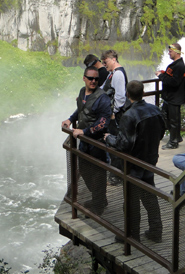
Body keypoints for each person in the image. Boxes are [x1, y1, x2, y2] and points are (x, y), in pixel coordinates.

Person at [105, 80, 165, 243]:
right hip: (150, 159)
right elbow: (161, 132)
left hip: (133, 163)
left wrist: (109, 138)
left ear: (128, 94)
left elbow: (123, 144)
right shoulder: (155, 110)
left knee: (131, 199)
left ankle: (132, 235)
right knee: (149, 194)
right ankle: (156, 231)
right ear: (143, 93)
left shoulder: (129, 115)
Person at [61, 66, 111, 215]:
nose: (93, 81)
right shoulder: (83, 92)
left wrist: (84, 131)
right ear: (84, 78)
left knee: (98, 174)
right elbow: (81, 109)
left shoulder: (103, 98)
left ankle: (98, 205)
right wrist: (70, 119)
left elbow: (104, 122)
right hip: (84, 140)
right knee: (84, 169)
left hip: (97, 142)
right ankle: (99, 198)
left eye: (96, 79)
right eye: (90, 78)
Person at [101, 49, 129, 185]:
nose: (104, 64)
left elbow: (120, 96)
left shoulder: (117, 75)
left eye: (105, 62)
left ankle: (117, 174)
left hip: (116, 116)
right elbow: (103, 88)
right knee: (113, 141)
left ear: (113, 59)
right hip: (113, 114)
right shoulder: (112, 74)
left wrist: (114, 112)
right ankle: (116, 172)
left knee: (115, 143)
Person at [155, 43, 185, 150]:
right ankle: (176, 137)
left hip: (174, 98)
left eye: (170, 51)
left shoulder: (179, 66)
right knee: (164, 116)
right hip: (169, 97)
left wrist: (161, 76)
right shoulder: (175, 65)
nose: (169, 53)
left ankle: (173, 142)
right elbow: (171, 76)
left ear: (176, 52)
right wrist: (164, 73)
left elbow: (174, 82)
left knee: (173, 121)